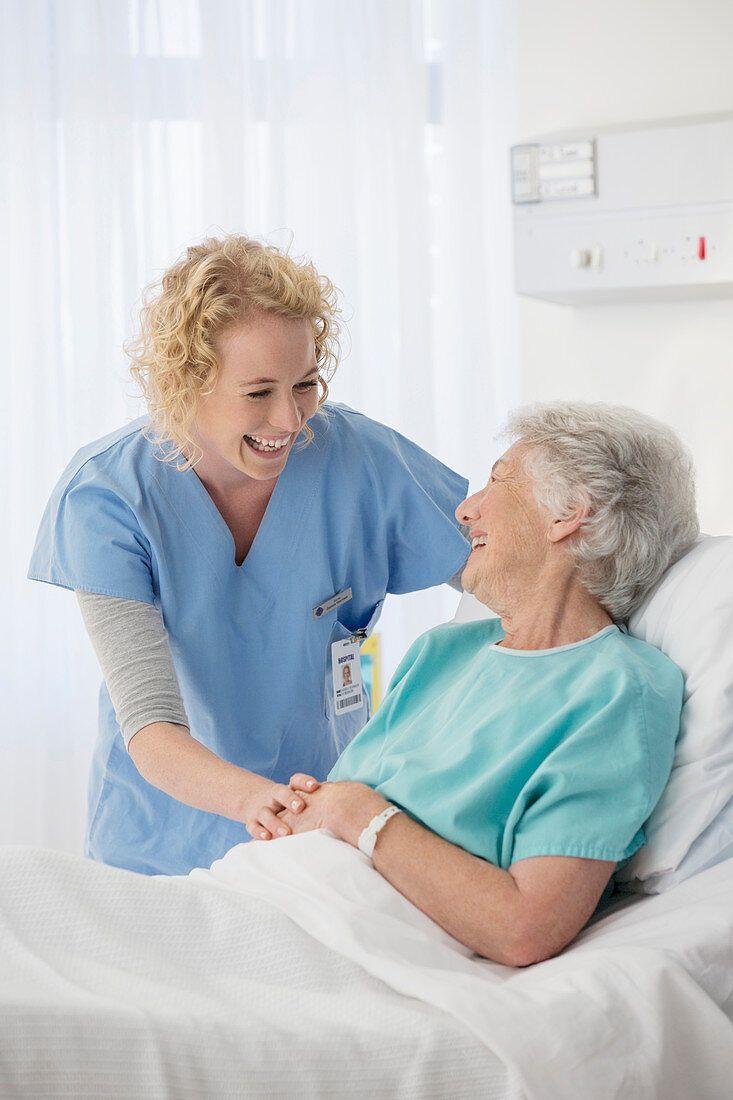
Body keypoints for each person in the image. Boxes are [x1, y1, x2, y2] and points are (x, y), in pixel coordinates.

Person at [28, 235, 469, 877]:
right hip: (160, 847)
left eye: (306, 384)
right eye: (258, 392)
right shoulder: (108, 497)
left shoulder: (361, 462)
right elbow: (150, 728)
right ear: (186, 383)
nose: (290, 419)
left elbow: (504, 574)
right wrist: (262, 803)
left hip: (324, 828)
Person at [248, 402, 698, 965]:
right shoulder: (444, 650)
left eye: (497, 481)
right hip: (267, 900)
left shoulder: (620, 690)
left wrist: (355, 811)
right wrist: (304, 812)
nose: (464, 511)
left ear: (567, 515)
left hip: (345, 948)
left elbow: (524, 927)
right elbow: (326, 816)